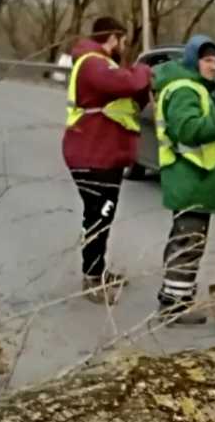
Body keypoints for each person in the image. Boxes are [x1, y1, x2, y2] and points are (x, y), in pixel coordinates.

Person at [151, 34, 215, 325]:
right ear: (194, 60)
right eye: (207, 60)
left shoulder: (200, 90)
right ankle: (175, 307)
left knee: (187, 242)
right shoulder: (185, 90)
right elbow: (188, 129)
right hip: (189, 179)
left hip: (195, 181)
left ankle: (173, 296)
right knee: (188, 243)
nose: (213, 66)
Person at [63, 16, 152, 303]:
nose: (124, 45)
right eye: (123, 39)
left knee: (103, 215)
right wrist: (142, 70)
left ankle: (97, 270)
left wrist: (141, 87)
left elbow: (130, 97)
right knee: (98, 216)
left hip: (104, 153)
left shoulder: (104, 63)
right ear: (113, 37)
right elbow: (125, 83)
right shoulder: (92, 62)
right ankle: (92, 278)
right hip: (91, 154)